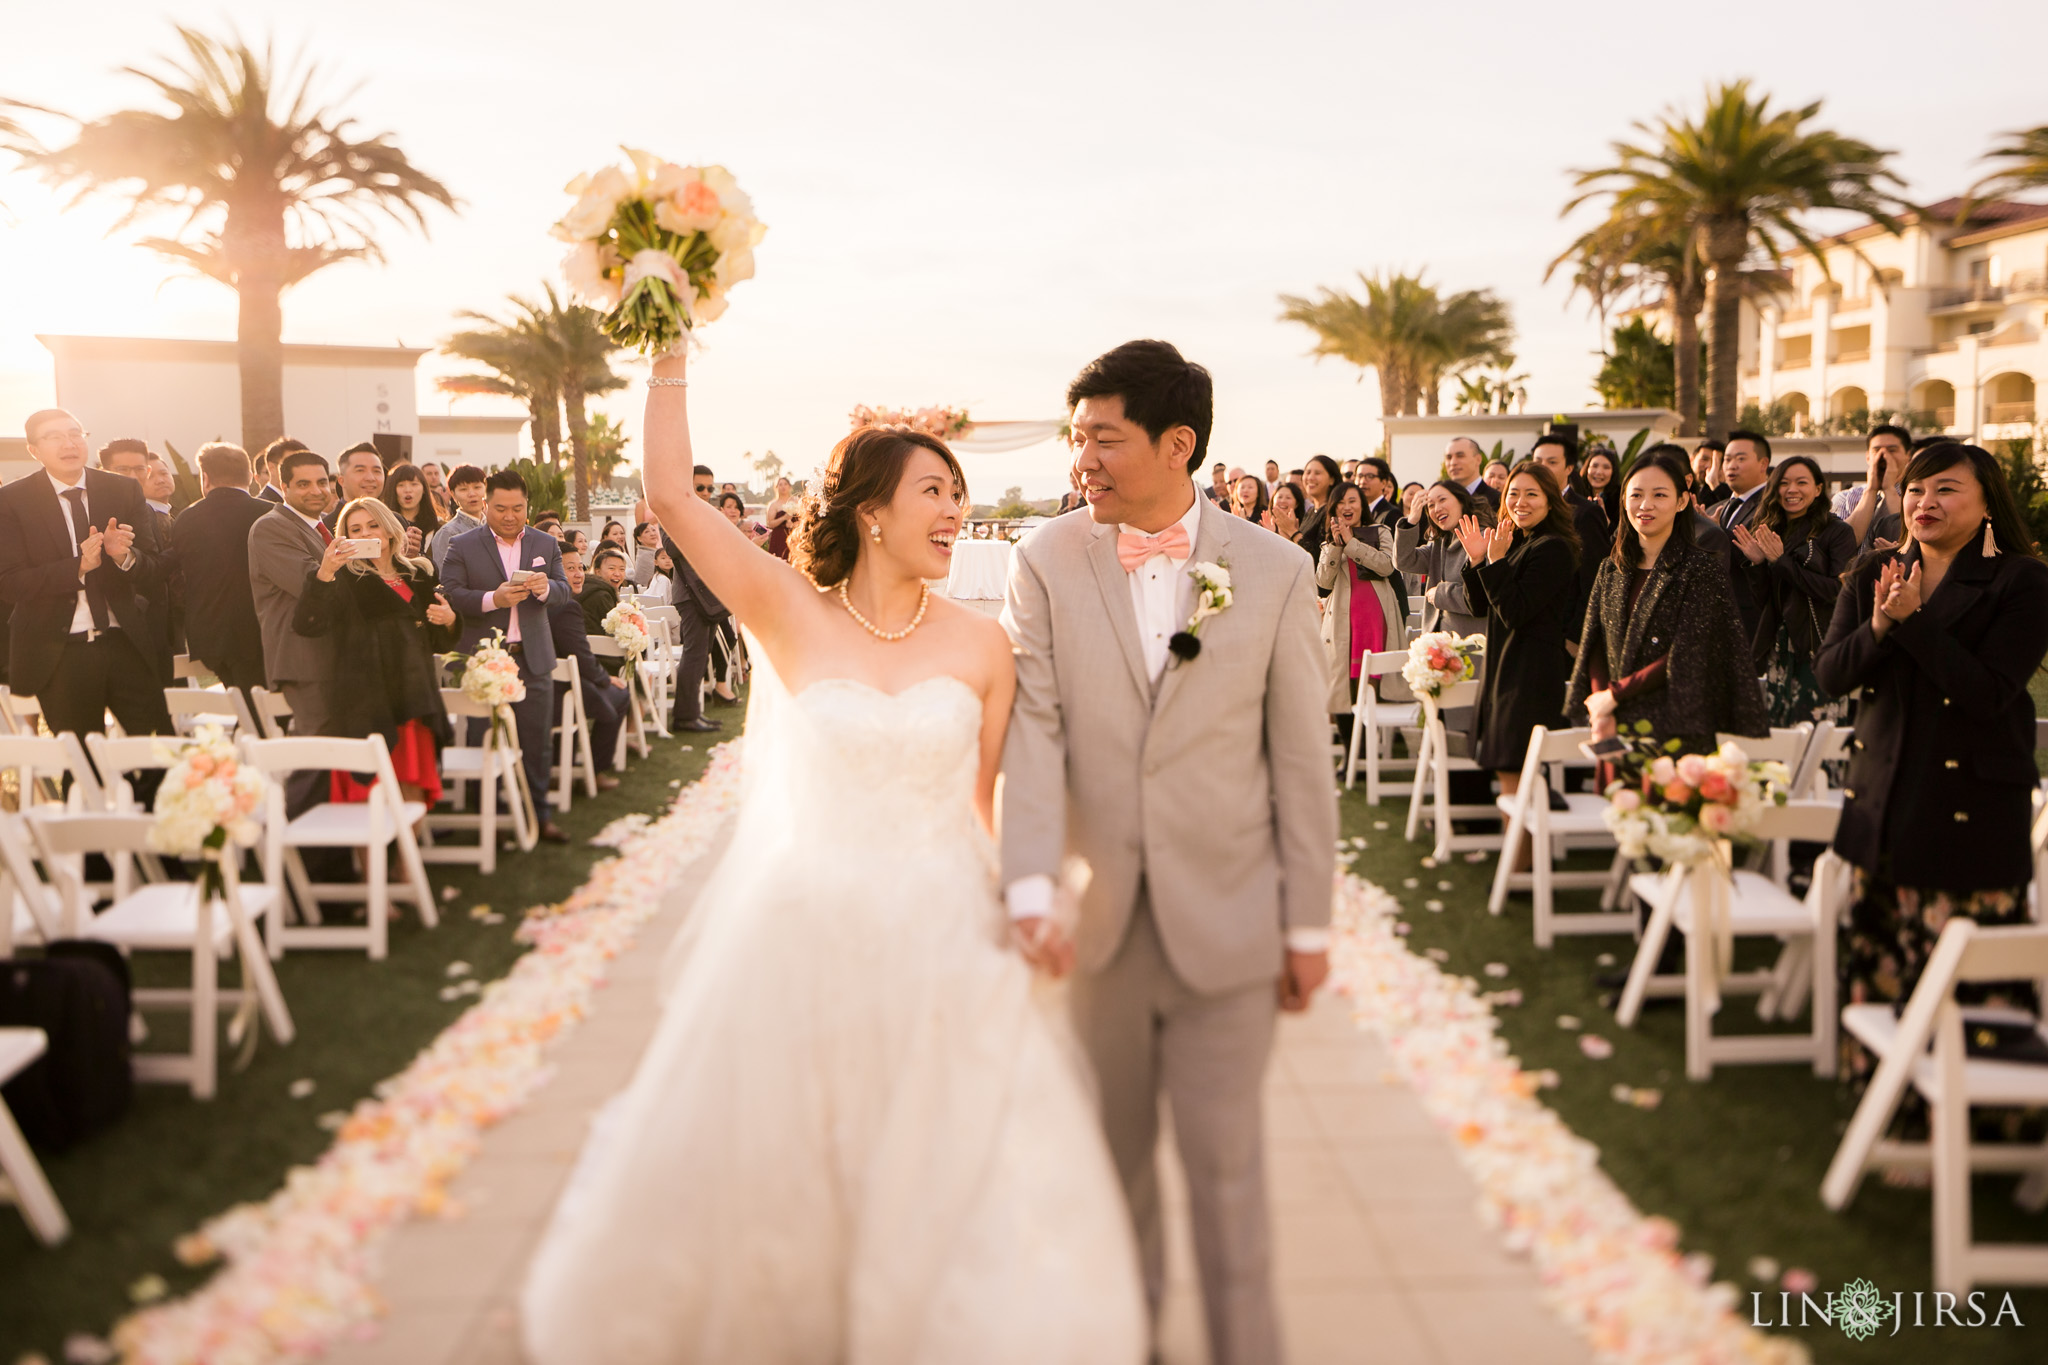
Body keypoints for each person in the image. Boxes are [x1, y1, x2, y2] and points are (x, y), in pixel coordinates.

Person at [520, 347, 1147, 1365]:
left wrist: (1036, 901)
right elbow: (673, 498)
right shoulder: (789, 614)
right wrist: (669, 354)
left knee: (949, 1174)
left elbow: (990, 807)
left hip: (946, 940)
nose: (954, 512)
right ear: (870, 510)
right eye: (934, 492)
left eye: (960, 495)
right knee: (790, 1168)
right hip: (804, 935)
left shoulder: (981, 647)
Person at [995, 339, 1333, 1365]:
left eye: (1102, 439)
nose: (1079, 461)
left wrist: (1308, 920)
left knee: (1227, 1181)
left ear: (1175, 444)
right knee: (1113, 1184)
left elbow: (1298, 759)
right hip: (1095, 930)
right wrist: (1029, 886)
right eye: (1075, 438)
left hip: (1230, 924)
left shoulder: (1274, 570)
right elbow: (1036, 731)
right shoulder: (1043, 559)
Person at [1815, 441, 2048, 1080]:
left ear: (1986, 502)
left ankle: (1982, 1124)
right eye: (1916, 490)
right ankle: (1882, 1096)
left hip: (1967, 804)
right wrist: (1883, 627)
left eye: (1946, 489)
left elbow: (1989, 693)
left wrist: (1915, 623)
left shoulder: (2021, 580)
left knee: (1963, 977)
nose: (1925, 503)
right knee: (1884, 956)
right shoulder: (1873, 571)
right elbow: (1831, 674)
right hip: (1883, 793)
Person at [1566, 448, 1767, 758]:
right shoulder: (1612, 569)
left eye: (1660, 495)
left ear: (1682, 501)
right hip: (1613, 725)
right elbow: (1596, 641)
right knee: (1617, 805)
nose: (1645, 506)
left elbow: (1690, 649)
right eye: (1636, 495)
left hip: (1676, 723)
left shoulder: (1701, 569)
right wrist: (1600, 703)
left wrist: (1615, 695)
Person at [0, 408, 173, 749]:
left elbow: (154, 567)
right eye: (55, 437)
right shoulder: (11, 501)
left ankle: (145, 801)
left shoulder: (122, 490)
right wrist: (78, 567)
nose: (69, 444)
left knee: (154, 754)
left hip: (126, 642)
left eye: (76, 434)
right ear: (34, 450)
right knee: (82, 761)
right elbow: (10, 582)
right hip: (60, 651)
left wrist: (123, 557)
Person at [293, 497, 458, 808]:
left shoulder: (418, 574)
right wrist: (325, 572)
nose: (366, 533)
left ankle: (404, 859)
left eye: (373, 525)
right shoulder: (340, 579)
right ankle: (372, 860)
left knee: (412, 789)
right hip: (364, 703)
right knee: (366, 796)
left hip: (413, 699)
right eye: (355, 529)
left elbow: (439, 641)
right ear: (346, 538)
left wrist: (449, 620)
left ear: (389, 529)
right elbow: (307, 625)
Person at [440, 468, 571, 844]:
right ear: (486, 504)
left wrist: (547, 588)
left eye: (517, 508)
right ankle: (493, 820)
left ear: (527, 506)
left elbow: (565, 591)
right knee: (485, 741)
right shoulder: (462, 544)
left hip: (533, 658)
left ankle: (538, 815)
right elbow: (449, 593)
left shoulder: (546, 544)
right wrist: (491, 599)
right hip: (483, 659)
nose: (509, 516)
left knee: (536, 740)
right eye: (500, 508)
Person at [1456, 461, 1580, 792]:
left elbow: (1515, 612)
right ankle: (1515, 844)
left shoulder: (1553, 547)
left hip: (1530, 674)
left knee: (1517, 772)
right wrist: (1477, 561)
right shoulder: (1516, 542)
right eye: (1513, 494)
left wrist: (1496, 561)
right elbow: (1480, 606)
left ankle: (1521, 845)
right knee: (1508, 770)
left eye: (1531, 494)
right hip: (1503, 668)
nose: (1520, 502)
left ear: (1550, 501)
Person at [247, 449, 342, 813]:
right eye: (303, 484)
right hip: (303, 657)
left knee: (329, 751)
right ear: (283, 486)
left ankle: (328, 845)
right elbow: (310, 582)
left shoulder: (319, 526)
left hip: (329, 656)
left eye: (322, 482)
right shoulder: (271, 527)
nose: (316, 491)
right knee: (313, 753)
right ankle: (297, 851)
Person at [1734, 455, 1857, 727]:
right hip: (1779, 644)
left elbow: (1837, 591)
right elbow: (1765, 600)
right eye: (1784, 483)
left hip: (1819, 643)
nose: (1792, 490)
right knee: (1779, 732)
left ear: (1817, 489)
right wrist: (1756, 564)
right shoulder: (1770, 528)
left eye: (1802, 482)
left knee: (1817, 732)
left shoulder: (1837, 532)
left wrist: (1781, 562)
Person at [171, 442, 270, 692]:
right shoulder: (271, 515)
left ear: (205, 478)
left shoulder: (186, 519)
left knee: (246, 705)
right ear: (250, 476)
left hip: (209, 635)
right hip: (261, 632)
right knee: (262, 709)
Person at [1316, 481, 1405, 726]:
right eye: (1341, 503)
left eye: (1352, 501)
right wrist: (1336, 545)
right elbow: (1323, 581)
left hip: (1375, 616)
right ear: (1333, 509)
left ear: (1361, 505)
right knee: (1341, 684)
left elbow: (1387, 566)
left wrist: (1352, 543)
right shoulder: (1329, 543)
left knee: (1372, 682)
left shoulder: (1380, 531)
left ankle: (1369, 743)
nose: (1347, 507)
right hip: (1343, 620)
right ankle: (1349, 747)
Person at [656, 464, 732, 735]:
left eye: (710, 488)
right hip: (689, 595)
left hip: (710, 593)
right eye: (700, 487)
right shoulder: (672, 513)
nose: (705, 492)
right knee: (694, 654)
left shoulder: (709, 512)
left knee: (702, 655)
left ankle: (692, 713)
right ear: (688, 486)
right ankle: (685, 717)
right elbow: (673, 548)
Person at [98, 438, 179, 681]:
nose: (132, 476)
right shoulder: (98, 509)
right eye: (122, 469)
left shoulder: (145, 509)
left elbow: (152, 563)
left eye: (139, 469)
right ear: (105, 471)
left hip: (156, 624)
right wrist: (181, 549)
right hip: (119, 627)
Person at [548, 547, 627, 789]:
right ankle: (595, 770)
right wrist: (605, 679)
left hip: (548, 684)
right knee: (620, 694)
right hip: (559, 691)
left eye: (580, 567)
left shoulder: (547, 601)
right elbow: (581, 656)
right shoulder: (566, 606)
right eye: (569, 568)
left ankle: (563, 766)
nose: (578, 574)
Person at [1526, 432, 1612, 645]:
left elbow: (1595, 579)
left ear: (1569, 468)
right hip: (1530, 630)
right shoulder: (1523, 510)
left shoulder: (1585, 513)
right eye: (1538, 461)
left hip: (1564, 637)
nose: (1543, 467)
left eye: (1552, 462)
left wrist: (1575, 637)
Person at [1395, 479, 1490, 636]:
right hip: (1437, 645)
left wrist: (1440, 594)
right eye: (1431, 505)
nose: (1437, 509)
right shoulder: (1441, 543)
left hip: (1470, 645)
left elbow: (1482, 598)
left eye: (1442, 500)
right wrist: (1411, 521)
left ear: (1461, 501)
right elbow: (1404, 561)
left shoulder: (1483, 538)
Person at [1709, 429, 1773, 642]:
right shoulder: (1718, 507)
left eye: (1740, 459)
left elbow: (1754, 556)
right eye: (1727, 460)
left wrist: (1715, 534)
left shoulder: (1773, 506)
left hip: (1750, 619)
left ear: (1763, 464)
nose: (1731, 465)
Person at [1842, 423, 1909, 552]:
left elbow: (1909, 536)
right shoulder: (1845, 498)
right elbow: (1844, 542)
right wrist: (1871, 490)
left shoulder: (1917, 496)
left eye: (1892, 450)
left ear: (1907, 456)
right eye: (1877, 450)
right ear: (1868, 457)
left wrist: (1889, 489)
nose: (1883, 456)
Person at [428, 464, 488, 573]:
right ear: (453, 495)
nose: (472, 494)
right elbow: (445, 578)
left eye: (477, 487)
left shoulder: (496, 527)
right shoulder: (448, 533)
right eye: (463, 489)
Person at [327, 443, 389, 536]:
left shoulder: (395, 521)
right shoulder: (326, 528)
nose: (370, 478)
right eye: (360, 470)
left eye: (376, 471)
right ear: (341, 481)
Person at [380, 462, 441, 553]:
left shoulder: (438, 526)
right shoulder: (382, 525)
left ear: (424, 489)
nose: (408, 490)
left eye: (414, 484)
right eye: (401, 485)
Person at [1294, 453, 1344, 565]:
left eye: (1317, 473)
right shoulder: (1311, 511)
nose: (1310, 477)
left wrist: (1292, 532)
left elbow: (1321, 558)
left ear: (1331, 479)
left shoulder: (1333, 512)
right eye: (1307, 472)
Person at [1443, 435, 1500, 509]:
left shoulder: (1496, 500)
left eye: (1460, 456)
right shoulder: (1441, 500)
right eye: (1449, 457)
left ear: (1478, 459)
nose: (1453, 462)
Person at [578, 546, 625, 634]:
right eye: (612, 568)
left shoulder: (586, 586)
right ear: (597, 571)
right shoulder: (601, 595)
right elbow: (615, 630)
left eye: (622, 569)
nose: (617, 574)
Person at [255, 436, 306, 503]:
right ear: (271, 467)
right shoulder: (261, 507)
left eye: (303, 465)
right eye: (290, 465)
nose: (298, 471)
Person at [1579, 445, 1620, 527]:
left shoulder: (1621, 499)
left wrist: (1605, 520)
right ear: (1587, 469)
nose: (1599, 472)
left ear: (1613, 472)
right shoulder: (1575, 494)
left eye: (1606, 467)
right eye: (1595, 466)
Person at [762, 476, 799, 560]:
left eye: (785, 484)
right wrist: (784, 518)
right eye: (780, 484)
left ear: (789, 486)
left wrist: (794, 524)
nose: (783, 487)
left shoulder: (796, 501)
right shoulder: (773, 504)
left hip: (794, 536)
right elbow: (770, 524)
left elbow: (803, 519)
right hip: (779, 537)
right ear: (776, 487)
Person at [1691, 438, 1729, 507]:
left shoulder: (1723, 492)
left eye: (1714, 462)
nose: (1708, 465)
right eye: (1704, 459)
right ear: (1692, 460)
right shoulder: (1681, 486)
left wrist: (1714, 484)